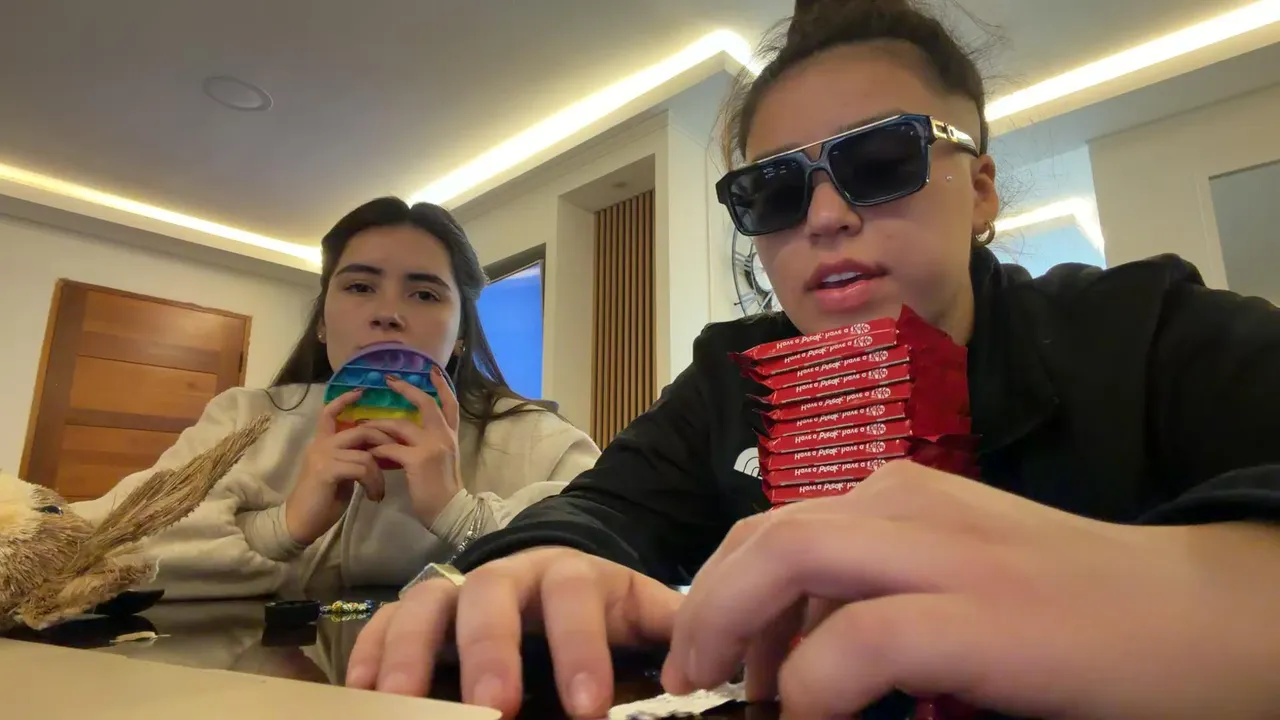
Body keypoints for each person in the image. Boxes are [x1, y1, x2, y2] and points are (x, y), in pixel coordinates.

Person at [346, 1, 1280, 718]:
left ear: (981, 189)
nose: (826, 216)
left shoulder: (1138, 325)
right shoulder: (730, 375)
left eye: (882, 161)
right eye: (773, 190)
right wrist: (541, 560)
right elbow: (601, 506)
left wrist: (1193, 601)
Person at [73, 197, 599, 598]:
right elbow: (94, 549)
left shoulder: (536, 439)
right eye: (360, 287)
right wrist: (284, 527)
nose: (388, 313)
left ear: (461, 333)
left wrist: (460, 515)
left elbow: (613, 549)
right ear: (322, 321)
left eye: (424, 294)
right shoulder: (243, 420)